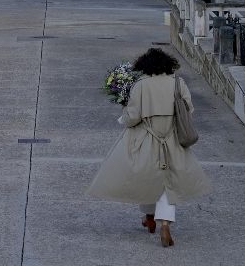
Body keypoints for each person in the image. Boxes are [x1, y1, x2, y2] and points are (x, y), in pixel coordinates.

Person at [87, 47, 212, 247]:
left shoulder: (141, 85)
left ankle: (150, 217)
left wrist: (123, 114)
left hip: (147, 138)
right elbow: (189, 109)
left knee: (147, 177)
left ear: (144, 65)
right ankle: (165, 224)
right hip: (172, 138)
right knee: (168, 182)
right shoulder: (178, 83)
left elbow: (132, 117)